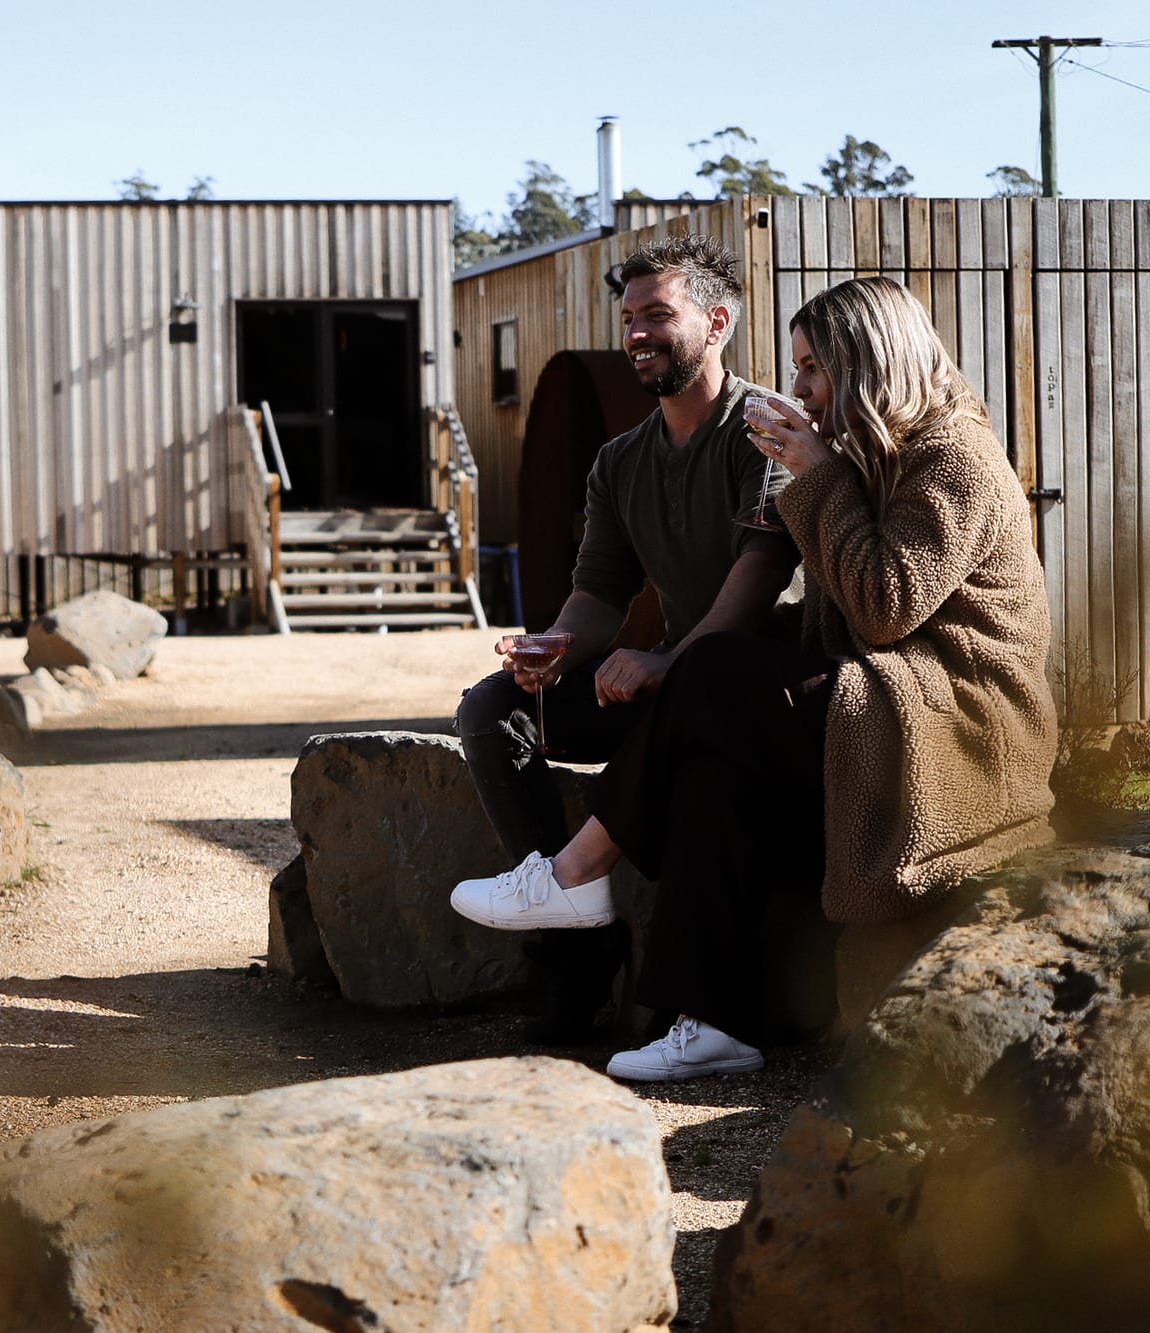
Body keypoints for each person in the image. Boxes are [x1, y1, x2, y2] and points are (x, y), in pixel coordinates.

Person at [466, 275, 1058, 1082]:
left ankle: (574, 874)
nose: (803, 385)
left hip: (955, 722)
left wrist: (814, 477)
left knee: (710, 673)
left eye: (813, 366)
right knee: (711, 762)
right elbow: (832, 617)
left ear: (867, 360)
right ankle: (713, 1021)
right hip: (884, 700)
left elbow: (885, 607)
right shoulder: (863, 457)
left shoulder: (955, 456)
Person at [449, 236, 799, 1039]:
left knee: (694, 699)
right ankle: (578, 945)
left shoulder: (768, 431)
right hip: (674, 679)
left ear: (717, 323)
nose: (637, 332)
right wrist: (555, 648)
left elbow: (760, 579)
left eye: (658, 315)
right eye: (629, 317)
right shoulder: (619, 460)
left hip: (754, 687)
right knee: (491, 709)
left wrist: (667, 661)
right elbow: (599, 592)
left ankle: (635, 961)